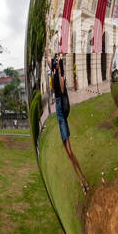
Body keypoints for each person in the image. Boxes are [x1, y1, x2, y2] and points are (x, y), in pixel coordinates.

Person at [51, 54, 88, 193]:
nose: (55, 62)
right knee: (68, 153)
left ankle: (82, 180)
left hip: (61, 113)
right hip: (59, 114)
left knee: (69, 152)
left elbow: (60, 90)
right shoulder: (54, 75)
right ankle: (81, 180)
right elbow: (49, 59)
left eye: (56, 62)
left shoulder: (60, 77)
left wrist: (60, 69)